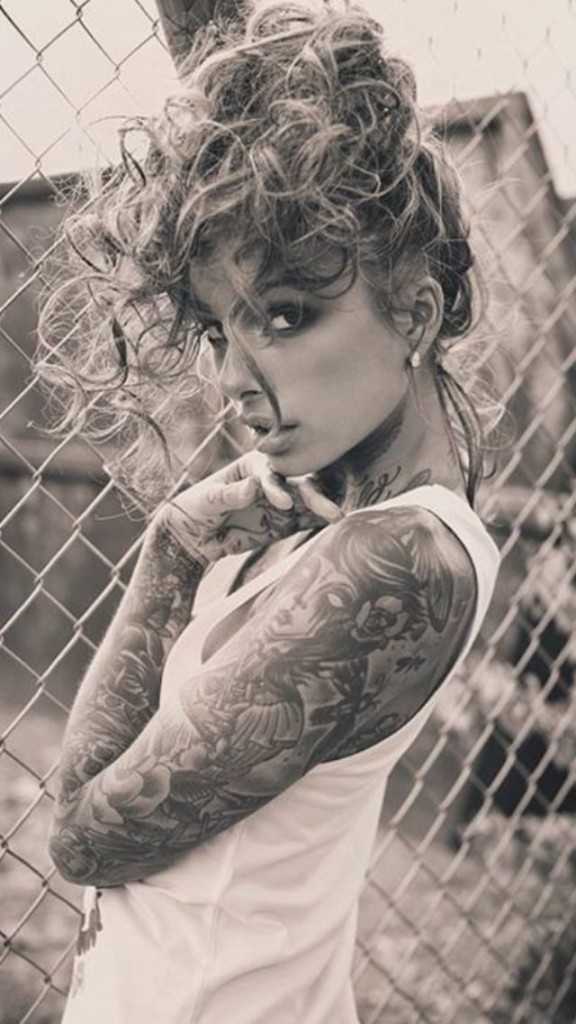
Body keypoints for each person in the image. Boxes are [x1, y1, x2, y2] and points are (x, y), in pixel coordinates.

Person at [41, 1, 500, 1021]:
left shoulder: (395, 564)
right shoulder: (330, 516)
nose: (231, 381)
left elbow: (81, 833)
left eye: (285, 317)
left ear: (415, 313)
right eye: (217, 329)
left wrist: (169, 552)